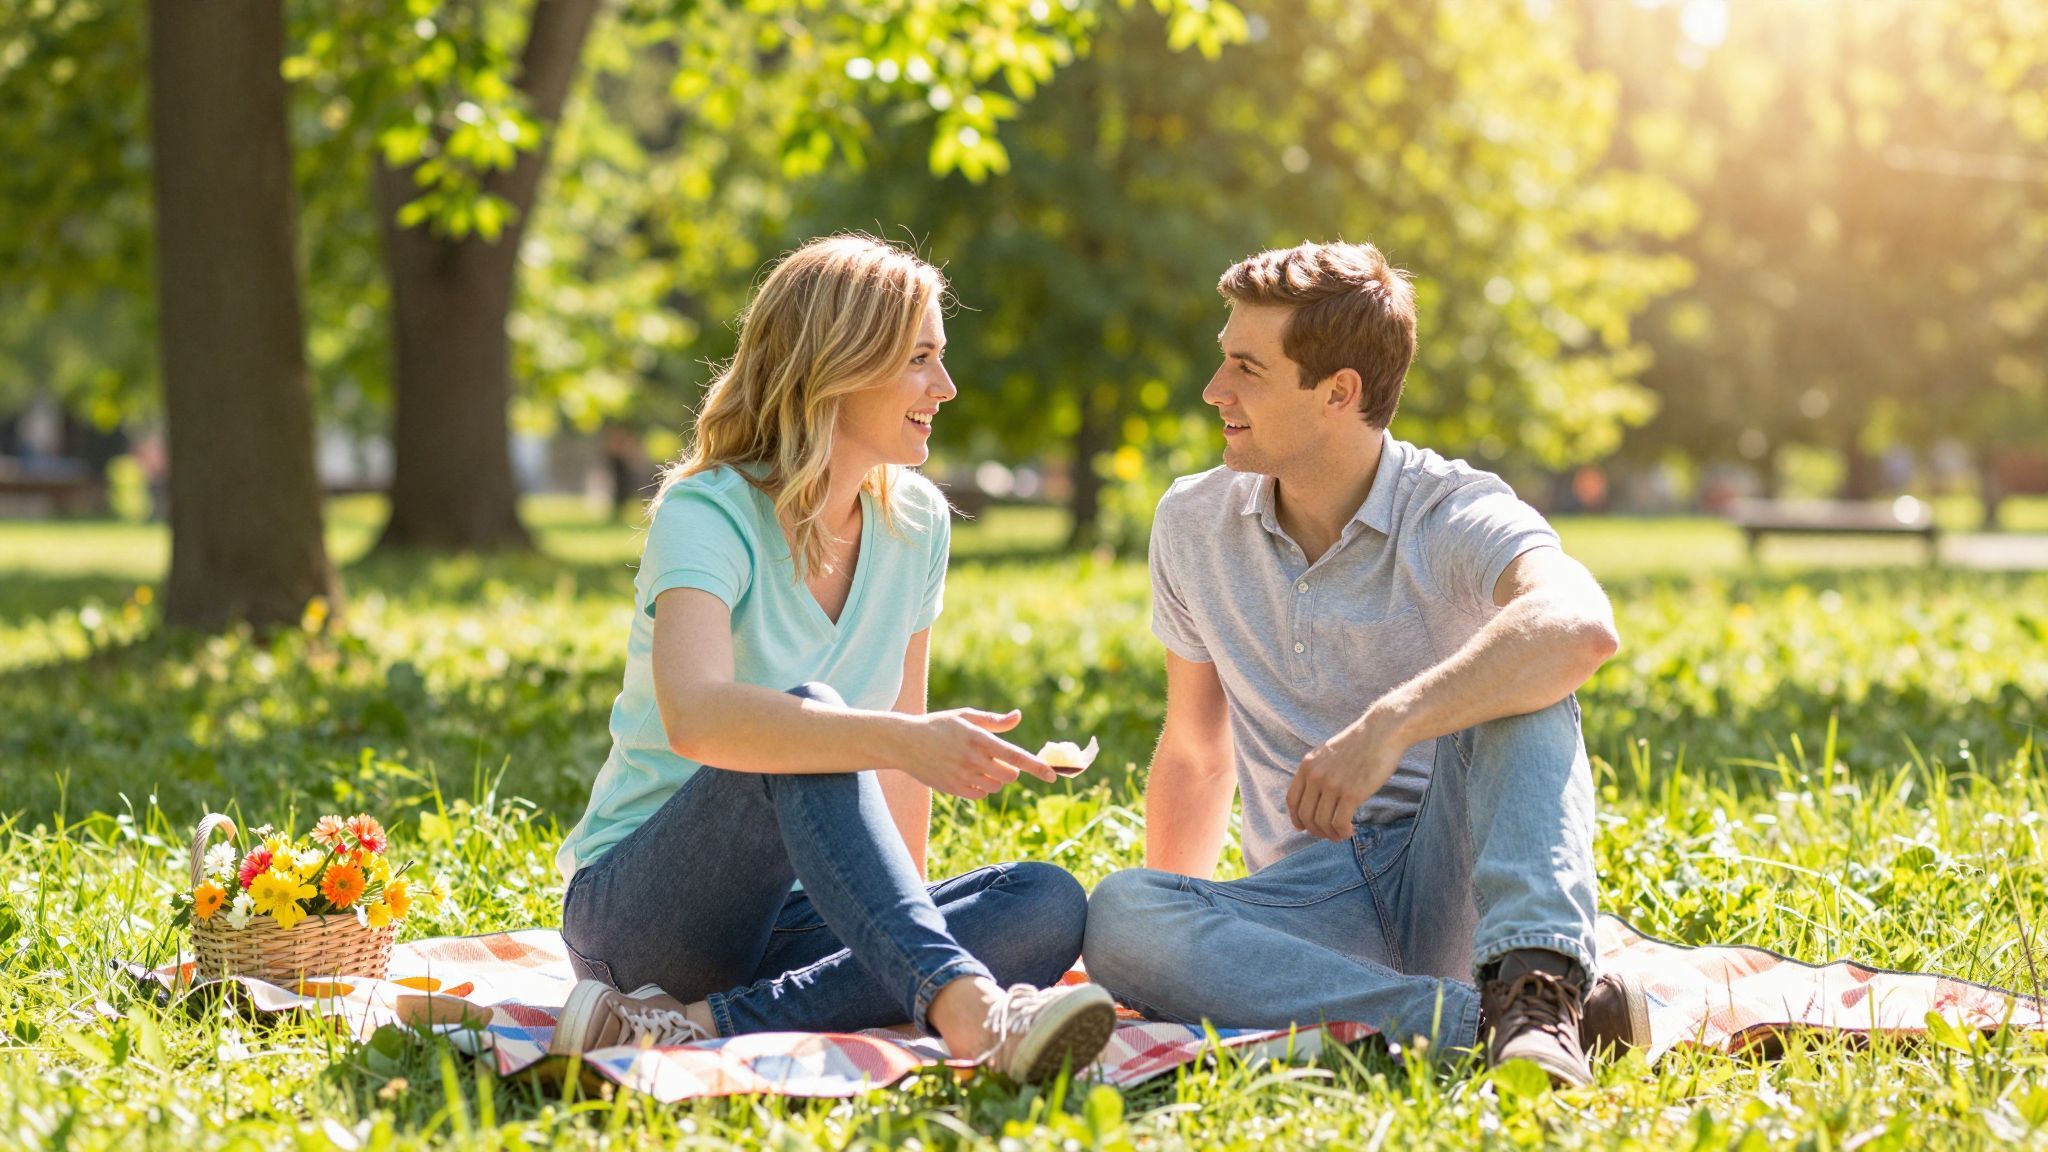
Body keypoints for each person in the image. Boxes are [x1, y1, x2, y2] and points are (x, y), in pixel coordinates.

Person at [1081, 241, 1650, 1087]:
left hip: (1454, 881)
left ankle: (1534, 986)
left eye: (1247, 369)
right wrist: (1179, 944)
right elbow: (1197, 751)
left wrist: (1391, 725)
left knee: (1530, 672)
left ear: (1338, 392)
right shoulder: (1192, 523)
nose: (1214, 392)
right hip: (1308, 903)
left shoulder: (1452, 510)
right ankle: (1489, 1025)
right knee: (1122, 915)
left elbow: (1581, 626)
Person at [551, 235, 1115, 1082]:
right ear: (841, 364)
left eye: (942, 358)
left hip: (800, 919)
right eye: (920, 359)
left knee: (1044, 904)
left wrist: (903, 931)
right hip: (645, 916)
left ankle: (693, 1025)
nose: (945, 387)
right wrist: (893, 737)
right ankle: (969, 1016)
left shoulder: (916, 523)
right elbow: (699, 715)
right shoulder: (707, 514)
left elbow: (902, 778)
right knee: (811, 719)